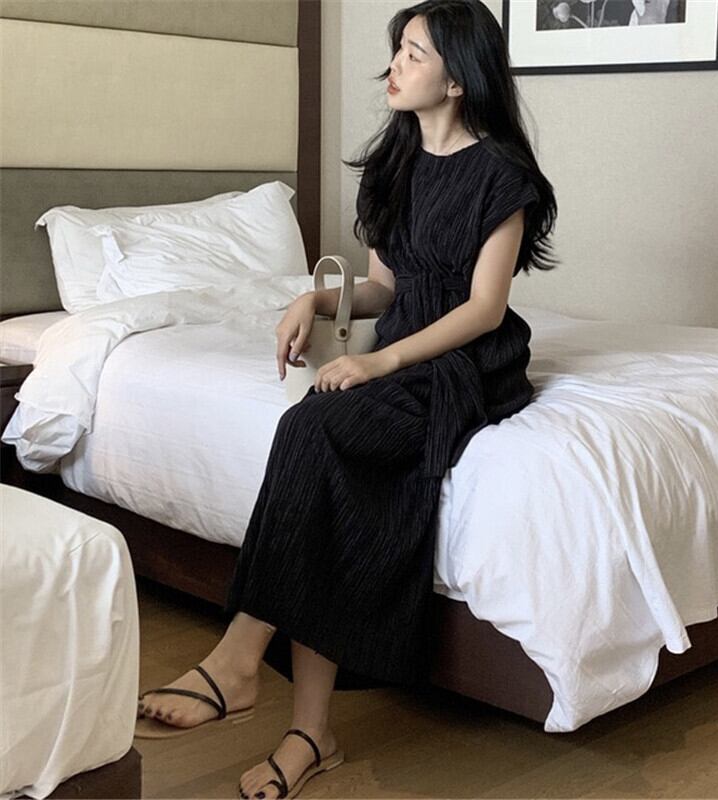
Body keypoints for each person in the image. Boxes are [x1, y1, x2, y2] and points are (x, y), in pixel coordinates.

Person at [135, 0, 558, 797]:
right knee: (320, 448)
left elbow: (484, 310)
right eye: (397, 50)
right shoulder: (393, 164)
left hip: (468, 364)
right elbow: (384, 289)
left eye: (413, 53)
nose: (393, 66)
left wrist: (378, 362)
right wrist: (315, 300)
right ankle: (308, 731)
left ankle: (242, 663)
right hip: (402, 352)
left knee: (312, 431)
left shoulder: (503, 177)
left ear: (458, 80)